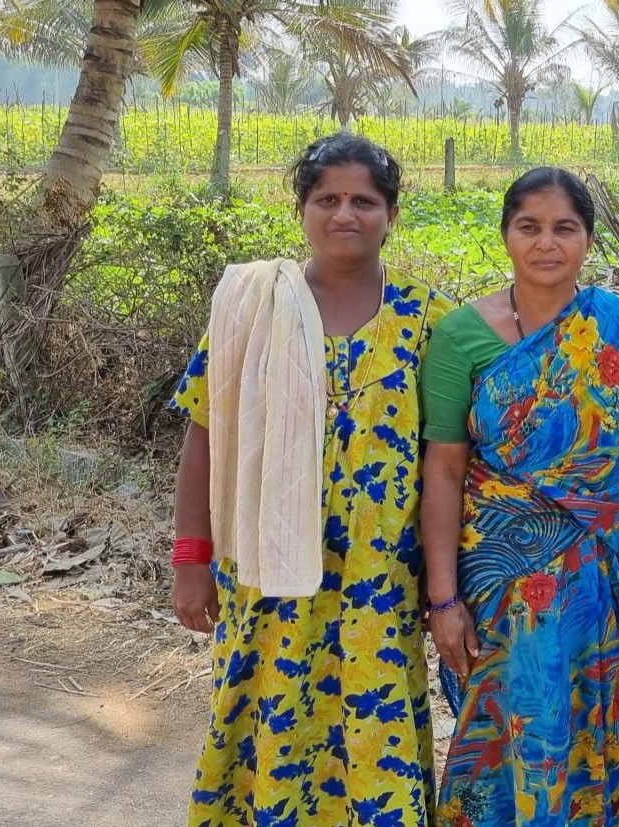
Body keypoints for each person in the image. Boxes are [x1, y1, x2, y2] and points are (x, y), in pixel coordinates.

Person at [168, 134, 453, 827]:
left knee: (372, 739)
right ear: (302, 208)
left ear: (392, 213)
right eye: (327, 198)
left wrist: (447, 589)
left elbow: (449, 462)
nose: (344, 213)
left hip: (378, 580)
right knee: (272, 726)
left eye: (364, 200)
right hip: (266, 576)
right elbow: (206, 436)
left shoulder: (428, 319)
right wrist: (190, 561)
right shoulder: (255, 305)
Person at [417, 167, 619, 827]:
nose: (546, 243)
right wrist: (444, 597)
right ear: (506, 236)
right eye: (529, 227)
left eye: (564, 227)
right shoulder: (461, 335)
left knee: (589, 729)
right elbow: (445, 470)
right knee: (499, 731)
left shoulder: (616, 324)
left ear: (587, 241)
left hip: (597, 580)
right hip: (497, 582)